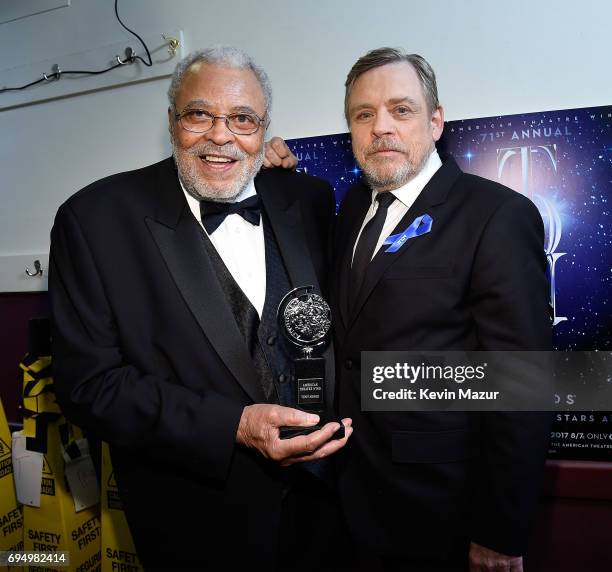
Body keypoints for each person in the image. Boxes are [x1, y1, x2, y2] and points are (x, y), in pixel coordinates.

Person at [49, 46, 352, 570]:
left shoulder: (308, 199)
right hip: (196, 522)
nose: (220, 135)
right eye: (199, 114)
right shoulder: (94, 220)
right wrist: (233, 425)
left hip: (323, 513)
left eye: (242, 119)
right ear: (172, 120)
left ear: (264, 129)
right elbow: (88, 385)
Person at [266, 47, 552, 572]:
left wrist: (499, 529)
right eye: (363, 114)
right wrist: (271, 174)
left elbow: (522, 384)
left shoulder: (498, 216)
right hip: (342, 498)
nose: (381, 128)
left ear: (436, 121)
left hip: (441, 511)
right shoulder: (351, 207)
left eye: (401, 109)